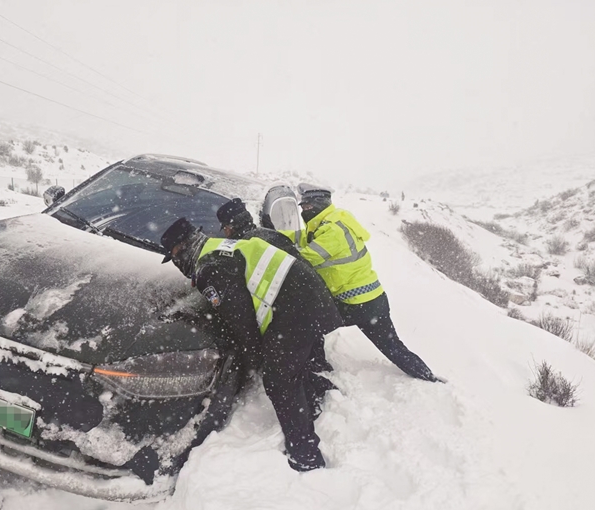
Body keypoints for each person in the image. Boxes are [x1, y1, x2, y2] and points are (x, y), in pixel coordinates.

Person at [160, 217, 342, 472]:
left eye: (174, 256)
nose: (178, 264)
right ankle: (315, 395)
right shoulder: (221, 246)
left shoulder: (209, 267)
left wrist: (256, 358)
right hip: (309, 298)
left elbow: (241, 319)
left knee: (278, 382)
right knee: (290, 366)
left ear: (180, 250)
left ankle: (305, 454)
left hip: (297, 310)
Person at [287, 183, 440, 383]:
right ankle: (427, 377)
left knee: (309, 323)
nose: (304, 211)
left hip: (356, 304)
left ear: (319, 205)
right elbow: (298, 238)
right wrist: (273, 236)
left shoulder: (333, 231)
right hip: (373, 299)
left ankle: (317, 365)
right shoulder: (328, 223)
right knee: (393, 346)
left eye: (307, 207)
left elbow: (303, 258)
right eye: (302, 208)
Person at [216, 198, 302, 259]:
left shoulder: (245, 248)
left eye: (224, 228)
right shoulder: (265, 236)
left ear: (231, 227)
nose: (225, 233)